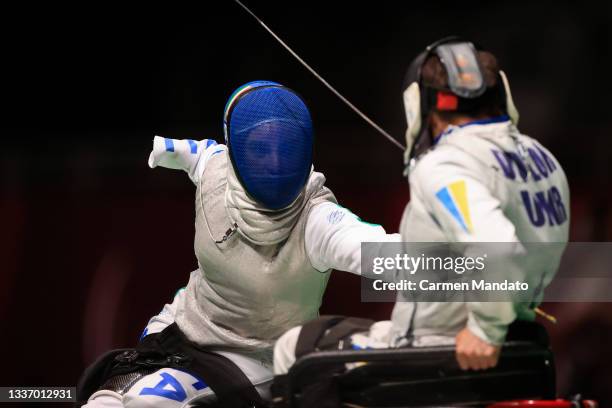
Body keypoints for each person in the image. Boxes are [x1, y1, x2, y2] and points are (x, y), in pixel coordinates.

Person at [80, 81, 399, 408]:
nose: (275, 163)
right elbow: (200, 153)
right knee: (104, 400)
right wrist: (168, 149)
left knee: (143, 404)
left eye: (286, 149)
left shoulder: (317, 221)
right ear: (236, 151)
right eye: (261, 149)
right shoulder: (216, 172)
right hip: (180, 325)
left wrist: (453, 275)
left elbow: (389, 254)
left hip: (254, 358)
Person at [273, 38, 570, 375]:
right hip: (522, 346)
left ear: (419, 104)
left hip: (436, 353)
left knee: (293, 349)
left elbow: (498, 249)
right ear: (502, 93)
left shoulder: (444, 166)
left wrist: (486, 330)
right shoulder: (543, 159)